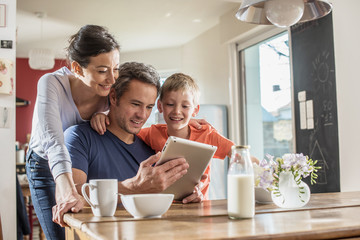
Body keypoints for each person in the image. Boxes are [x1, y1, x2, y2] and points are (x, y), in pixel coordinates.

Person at [25, 24, 120, 239]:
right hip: (43, 164)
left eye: (116, 68)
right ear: (77, 69)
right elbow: (54, 142)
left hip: (81, 161)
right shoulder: (51, 84)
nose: (113, 79)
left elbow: (134, 115)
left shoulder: (109, 91)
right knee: (59, 233)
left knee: (87, 232)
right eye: (103, 71)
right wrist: (67, 190)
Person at [65, 62, 203, 204]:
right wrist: (134, 187)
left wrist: (187, 197)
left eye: (149, 107)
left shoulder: (152, 149)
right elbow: (72, 193)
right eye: (135, 104)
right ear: (113, 97)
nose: (142, 115)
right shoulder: (79, 137)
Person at [136, 73, 235, 199]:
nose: (177, 111)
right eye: (170, 104)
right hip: (163, 206)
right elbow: (123, 132)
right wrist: (103, 115)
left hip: (198, 206)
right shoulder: (152, 132)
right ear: (160, 106)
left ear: (195, 110)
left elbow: (236, 152)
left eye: (185, 106)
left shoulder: (206, 134)